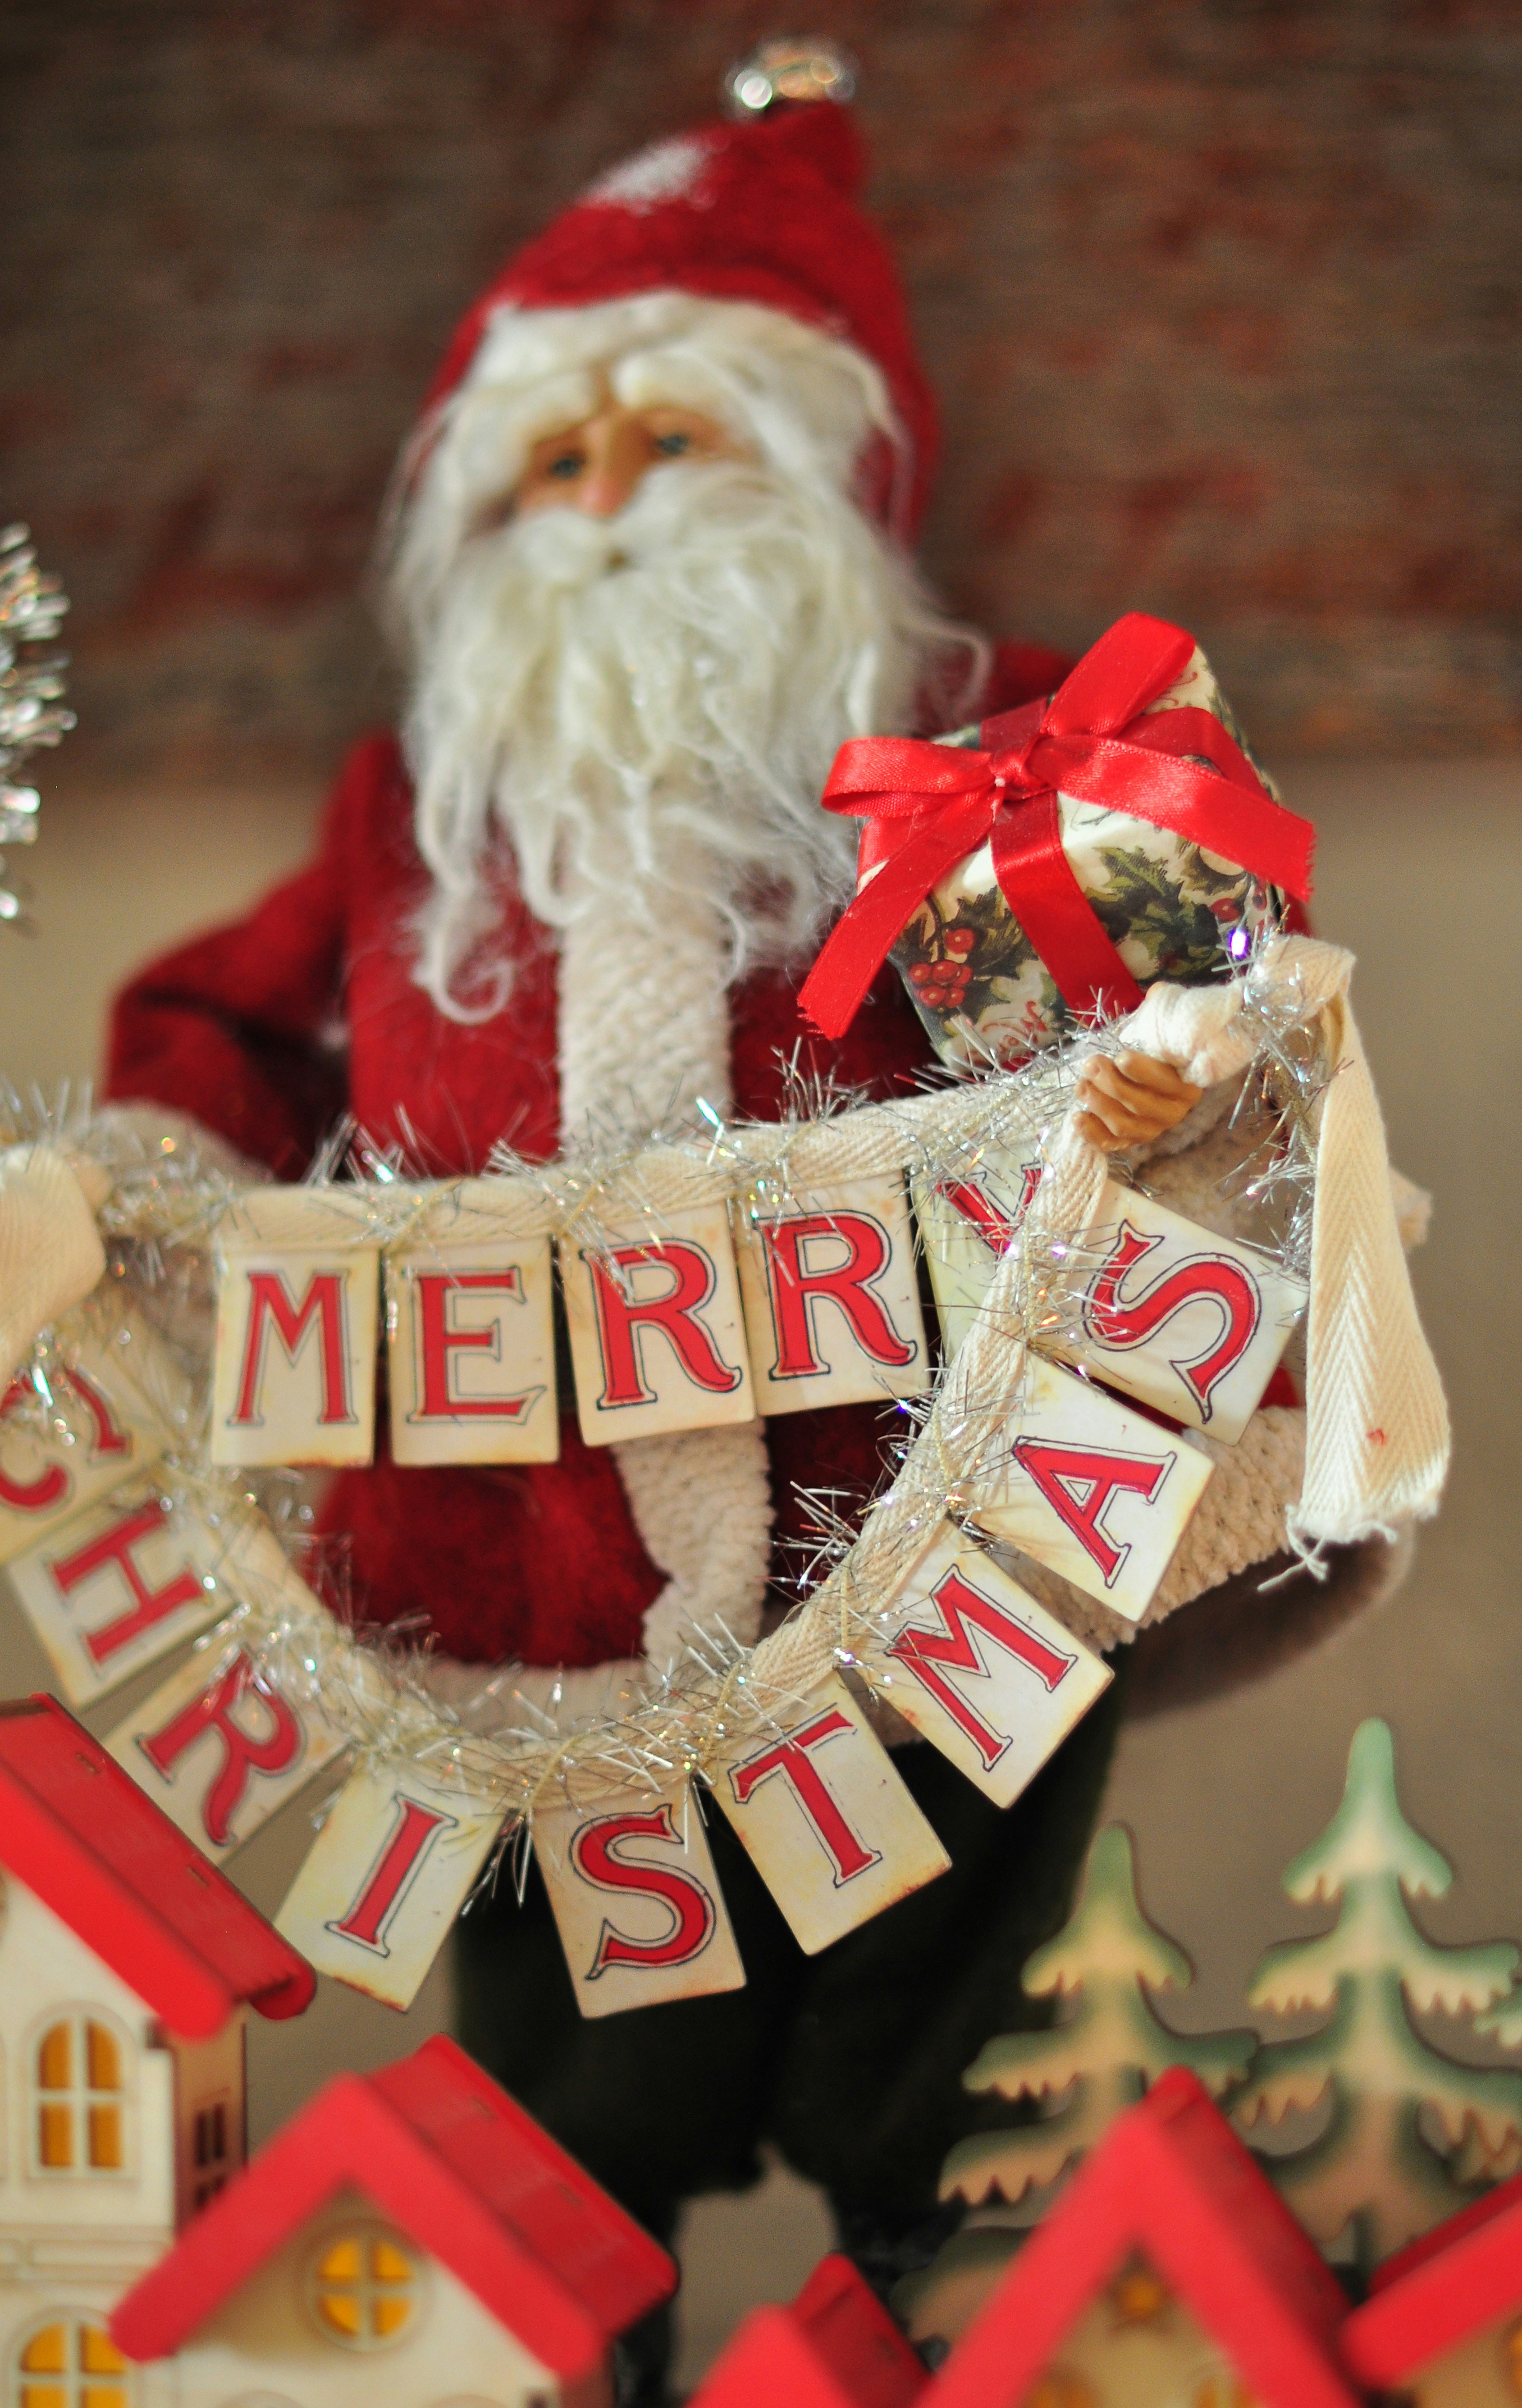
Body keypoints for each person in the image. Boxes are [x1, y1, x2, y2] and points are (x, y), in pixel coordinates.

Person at [102, 56, 1223, 2365]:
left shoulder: (951, 743)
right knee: (558, 2104)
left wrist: (1161, 1055)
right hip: (515, 1605)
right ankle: (560, 2330)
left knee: (957, 2060)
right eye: (551, 462)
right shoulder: (413, 819)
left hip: (926, 1586)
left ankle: (971, 2327)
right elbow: (219, 1033)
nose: (601, 503)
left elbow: (1185, 981)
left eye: (672, 442)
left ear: (822, 467)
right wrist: (133, 1194)